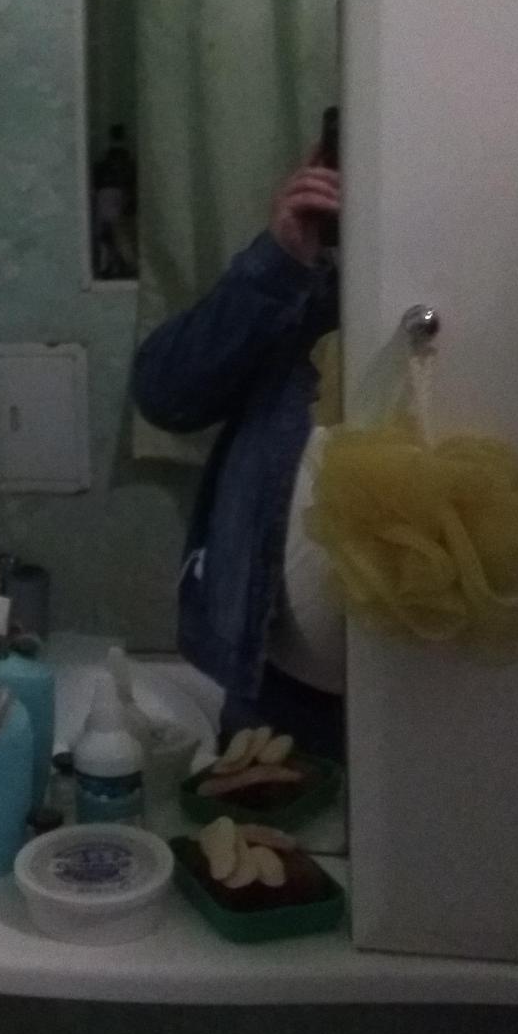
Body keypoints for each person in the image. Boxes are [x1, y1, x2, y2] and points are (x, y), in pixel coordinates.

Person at [131, 147, 342, 758]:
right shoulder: (296, 292)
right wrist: (281, 261)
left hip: (434, 689)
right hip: (275, 691)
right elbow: (165, 396)